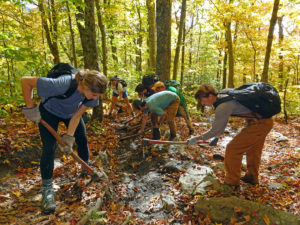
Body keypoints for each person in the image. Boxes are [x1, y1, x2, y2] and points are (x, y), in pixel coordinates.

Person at [21, 69, 108, 213]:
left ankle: (86, 169)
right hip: (49, 112)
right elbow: (26, 81)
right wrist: (30, 108)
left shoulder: (93, 95)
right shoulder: (61, 84)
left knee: (82, 138)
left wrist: (68, 137)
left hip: (70, 114)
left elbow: (77, 115)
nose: (95, 99)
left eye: (97, 96)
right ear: (85, 87)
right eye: (94, 95)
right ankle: (47, 189)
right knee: (49, 147)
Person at [187, 84, 273, 188]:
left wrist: (196, 139)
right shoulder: (224, 93)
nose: (202, 103)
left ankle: (232, 182)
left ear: (210, 96)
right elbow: (221, 127)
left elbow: (214, 130)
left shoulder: (222, 106)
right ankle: (252, 176)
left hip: (260, 123)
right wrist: (216, 137)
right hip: (263, 119)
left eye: (202, 100)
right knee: (253, 149)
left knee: (233, 149)